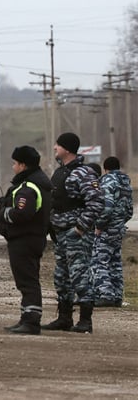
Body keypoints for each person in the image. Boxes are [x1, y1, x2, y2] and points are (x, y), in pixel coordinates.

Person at [43, 132, 104, 334]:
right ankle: (64, 318)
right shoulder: (60, 172)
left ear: (67, 149)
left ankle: (85, 321)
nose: (54, 148)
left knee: (80, 276)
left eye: (57, 145)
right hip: (61, 235)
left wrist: (79, 228)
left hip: (76, 235)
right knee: (62, 278)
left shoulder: (83, 173)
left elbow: (96, 202)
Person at [0, 146, 52, 335]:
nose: (13, 167)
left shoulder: (29, 187)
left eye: (15, 163)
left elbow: (22, 214)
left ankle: (32, 322)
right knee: (26, 281)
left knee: (28, 282)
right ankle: (26, 317)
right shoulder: (36, 183)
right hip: (30, 238)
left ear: (23, 165)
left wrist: (3, 212)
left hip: (25, 240)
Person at [93, 156, 133, 307]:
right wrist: (120, 223)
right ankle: (117, 295)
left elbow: (107, 207)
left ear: (105, 169)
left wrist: (99, 225)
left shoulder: (108, 181)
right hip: (118, 228)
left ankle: (105, 294)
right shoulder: (126, 183)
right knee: (115, 262)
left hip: (107, 229)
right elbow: (129, 210)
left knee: (99, 260)